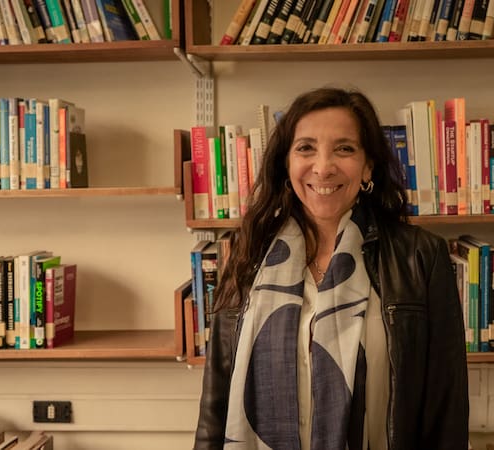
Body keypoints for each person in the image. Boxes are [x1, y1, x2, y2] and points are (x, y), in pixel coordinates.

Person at [193, 87, 469, 450]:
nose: (323, 167)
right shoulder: (249, 253)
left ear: (368, 165)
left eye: (345, 149)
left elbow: (446, 409)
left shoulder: (421, 256)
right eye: (306, 148)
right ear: (286, 163)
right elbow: (215, 404)